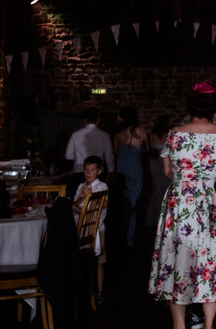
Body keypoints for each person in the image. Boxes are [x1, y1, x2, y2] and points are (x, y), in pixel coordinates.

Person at [148, 82, 216, 329]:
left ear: (190, 105)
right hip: (214, 205)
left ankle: (179, 326)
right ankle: (207, 324)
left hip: (182, 204)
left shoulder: (175, 134)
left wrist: (188, 181)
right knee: (211, 263)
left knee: (178, 263)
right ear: (214, 106)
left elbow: (167, 172)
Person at [74, 155, 109, 302]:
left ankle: (99, 291)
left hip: (97, 228)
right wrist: (81, 197)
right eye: (86, 169)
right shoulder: (81, 186)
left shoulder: (102, 186)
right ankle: (82, 290)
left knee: (99, 260)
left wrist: (91, 195)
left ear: (99, 172)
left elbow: (105, 204)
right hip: (81, 229)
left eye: (92, 170)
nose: (88, 173)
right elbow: (75, 204)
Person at [113, 106, 147, 247]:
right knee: (133, 202)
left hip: (121, 168)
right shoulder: (141, 131)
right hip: (135, 168)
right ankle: (130, 237)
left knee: (122, 200)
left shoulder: (117, 133)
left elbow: (114, 155)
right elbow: (147, 151)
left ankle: (122, 233)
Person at [65, 106, 114, 193]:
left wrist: (79, 158)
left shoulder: (76, 134)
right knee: (97, 201)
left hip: (79, 172)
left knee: (79, 201)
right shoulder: (104, 135)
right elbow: (109, 158)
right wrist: (110, 173)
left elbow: (68, 156)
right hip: (97, 173)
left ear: (85, 120)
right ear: (98, 120)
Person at [144, 115, 171, 229]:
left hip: (156, 161)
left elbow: (150, 149)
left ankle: (155, 219)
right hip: (162, 161)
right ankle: (161, 218)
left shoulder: (154, 134)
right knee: (162, 189)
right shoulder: (168, 134)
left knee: (157, 189)